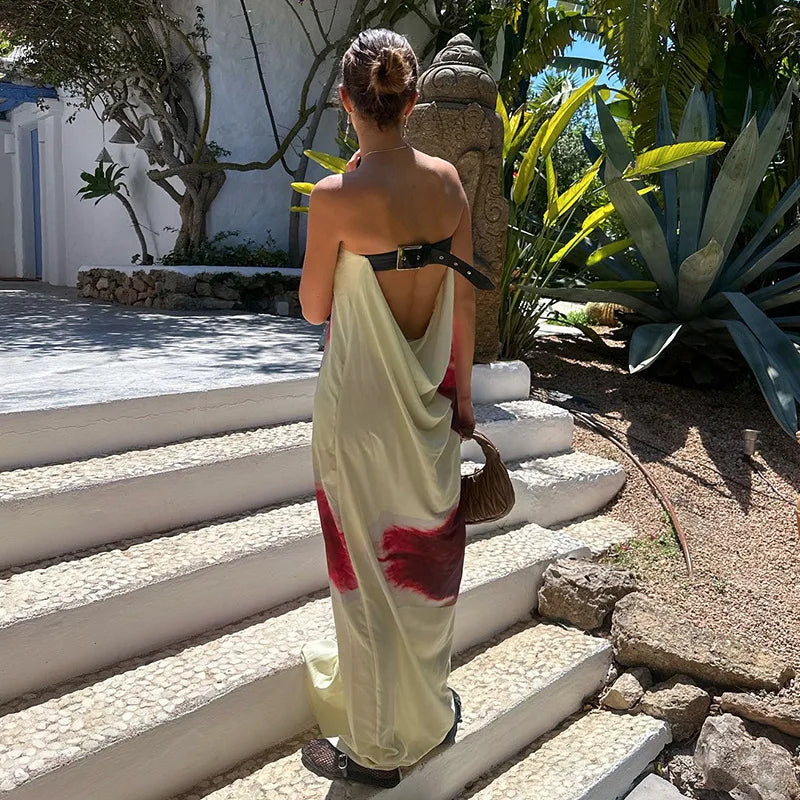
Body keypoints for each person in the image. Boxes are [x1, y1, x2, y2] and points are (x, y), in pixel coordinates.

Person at [297, 27, 491, 789]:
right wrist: (466, 401)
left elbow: (315, 308)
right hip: (432, 407)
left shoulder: (335, 198)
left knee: (363, 578)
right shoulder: (449, 184)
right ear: (411, 102)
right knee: (425, 569)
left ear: (349, 103)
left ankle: (377, 749)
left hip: (356, 415)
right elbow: (465, 305)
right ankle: (423, 709)